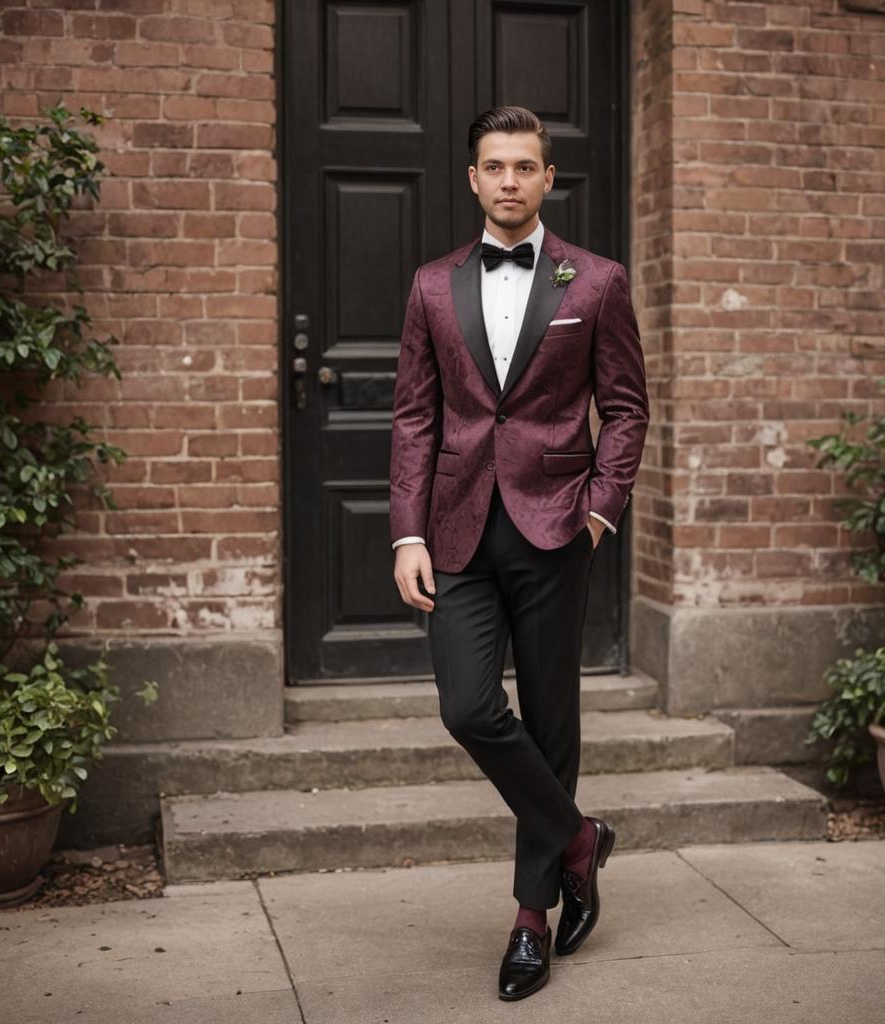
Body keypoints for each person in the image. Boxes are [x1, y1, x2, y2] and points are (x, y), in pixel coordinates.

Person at [389, 105, 649, 1001]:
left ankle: (530, 919)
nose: (508, 180)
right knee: (467, 706)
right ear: (473, 179)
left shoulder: (597, 282)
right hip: (455, 529)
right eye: (494, 166)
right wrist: (407, 532)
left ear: (547, 179)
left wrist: (602, 511)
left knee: (550, 721)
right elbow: (416, 416)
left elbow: (626, 408)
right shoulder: (431, 285)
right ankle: (578, 838)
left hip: (556, 528)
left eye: (524, 167)